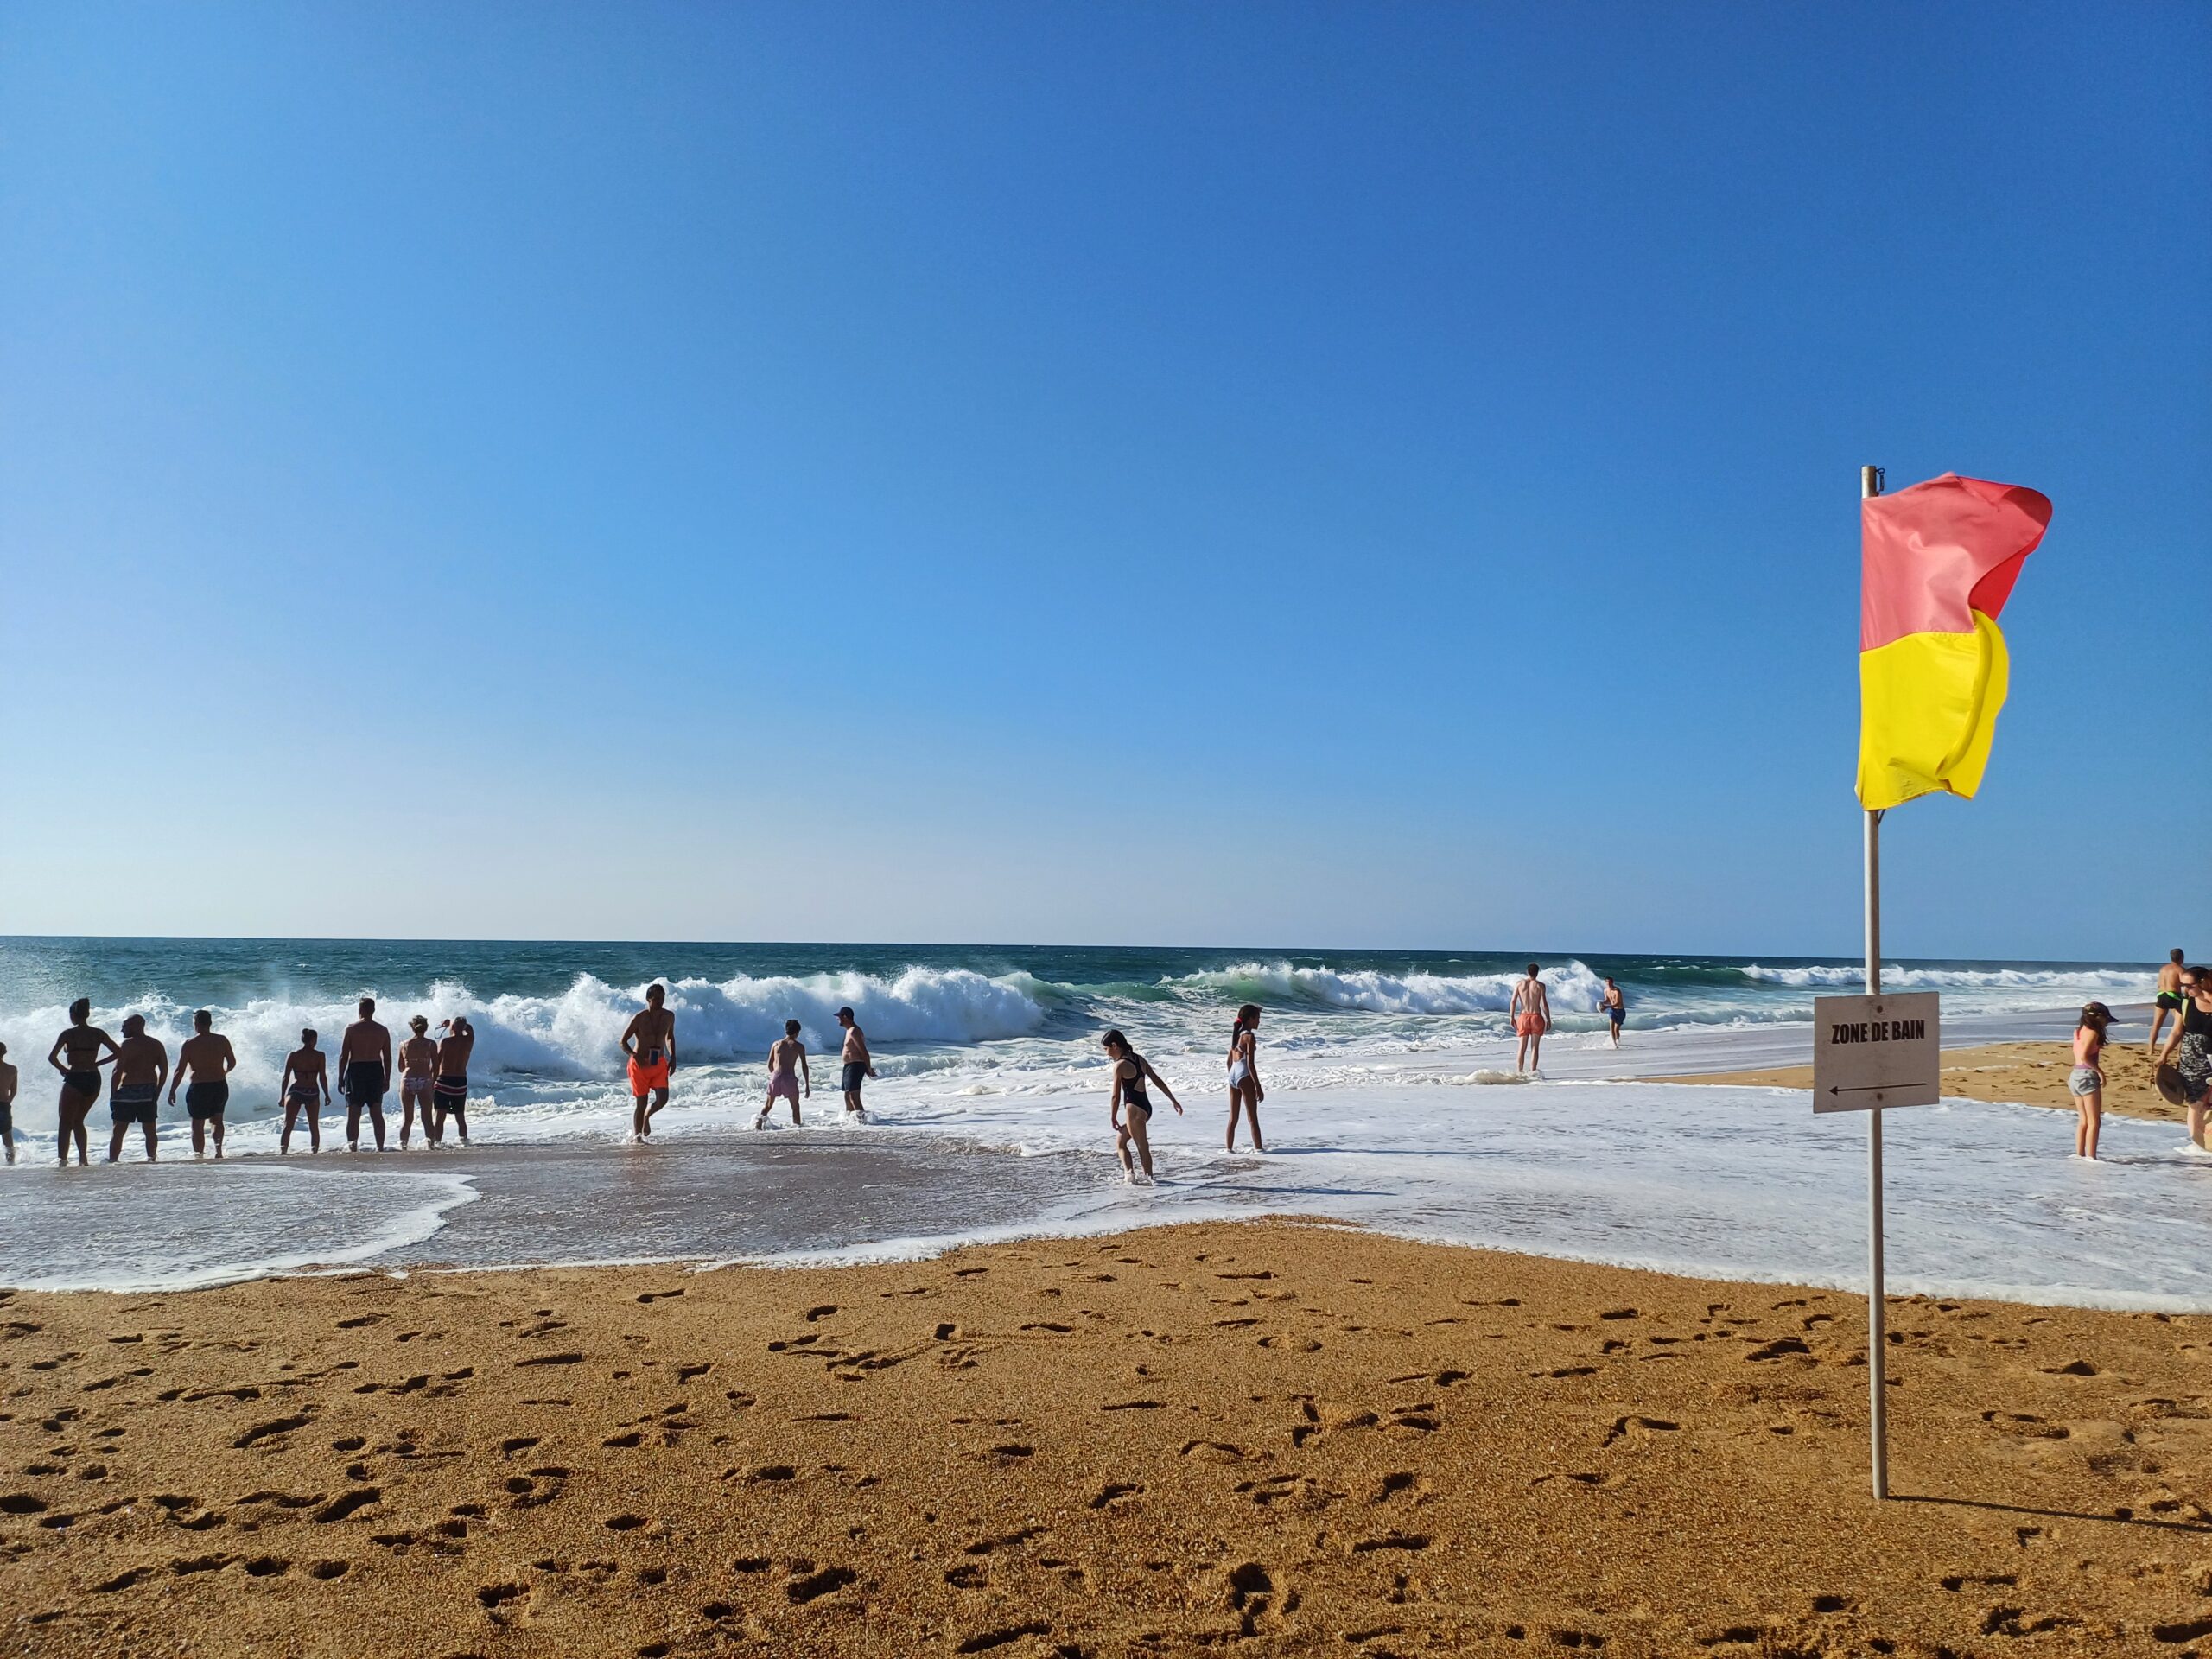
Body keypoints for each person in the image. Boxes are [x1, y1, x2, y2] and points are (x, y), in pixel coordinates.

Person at [1103, 1028, 1183, 1184]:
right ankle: (1130, 1175)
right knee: (1121, 1143)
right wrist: (1173, 1100)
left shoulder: (1119, 1065)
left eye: (1106, 1049)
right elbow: (1157, 1080)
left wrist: (1113, 1116)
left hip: (1134, 1110)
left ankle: (1150, 1180)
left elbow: (1116, 1096)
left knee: (1142, 1146)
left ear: (1114, 1046)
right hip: (1145, 1108)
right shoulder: (1139, 1059)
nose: (1106, 1054)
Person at [47, 998, 118, 1167]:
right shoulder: (98, 1033)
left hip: (75, 1077)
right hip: (93, 1078)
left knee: (65, 1122)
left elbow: (52, 1057)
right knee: (78, 1120)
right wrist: (97, 1063)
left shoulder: (68, 1034)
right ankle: (83, 1160)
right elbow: (118, 1052)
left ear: (72, 1015)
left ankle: (62, 1161)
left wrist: (63, 1069)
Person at [169, 1009, 238, 1160]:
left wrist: (172, 1090)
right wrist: (223, 1073)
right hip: (219, 1084)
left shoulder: (190, 1044)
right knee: (217, 1120)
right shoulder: (222, 1040)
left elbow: (180, 1070)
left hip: (199, 1087)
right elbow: (232, 1062)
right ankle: (218, 1151)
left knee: (197, 1124)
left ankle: (199, 1155)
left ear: (196, 1024)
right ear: (210, 1023)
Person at [2158, 965, 2212, 1152]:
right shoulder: (2185, 1002)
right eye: (2183, 986)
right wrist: (2164, 1054)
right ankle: (2197, 1146)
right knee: (2195, 1102)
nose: (2185, 990)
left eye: (2189, 986)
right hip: (2192, 1059)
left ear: (2204, 982)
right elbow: (2176, 1032)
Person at [106, 1014, 168, 1163]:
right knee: (149, 1130)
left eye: (124, 1026)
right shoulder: (156, 1044)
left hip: (127, 1091)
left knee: (119, 1130)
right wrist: (158, 1091)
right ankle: (151, 1158)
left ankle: (113, 1160)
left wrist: (113, 1094)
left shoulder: (126, 1045)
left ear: (135, 1026)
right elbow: (164, 1070)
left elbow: (117, 1071)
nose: (122, 1030)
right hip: (148, 1091)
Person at [335, 997, 392, 1152]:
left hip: (356, 1070)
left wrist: (340, 1079)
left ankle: (353, 1147)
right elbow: (387, 1057)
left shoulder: (351, 1029)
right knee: (376, 1112)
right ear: (373, 1010)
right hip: (375, 1069)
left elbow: (344, 1056)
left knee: (354, 1113)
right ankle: (380, 1147)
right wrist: (387, 1078)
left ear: (360, 1010)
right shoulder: (382, 1030)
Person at [621, 984, 677, 1141]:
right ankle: (637, 1137)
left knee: (662, 1099)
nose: (660, 1002)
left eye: (662, 999)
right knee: (641, 1102)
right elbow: (623, 1042)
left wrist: (673, 1057)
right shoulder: (639, 1018)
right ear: (648, 999)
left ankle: (647, 1117)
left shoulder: (669, 1016)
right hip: (640, 1065)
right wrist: (634, 1055)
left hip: (658, 1062)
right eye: (656, 999)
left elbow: (670, 1037)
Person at [2069, 1001, 2114, 1160]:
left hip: (2075, 1075)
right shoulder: (2094, 1032)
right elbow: (2085, 1056)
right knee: (2094, 1121)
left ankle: (2079, 1154)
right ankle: (2091, 1157)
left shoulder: (2078, 1031)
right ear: (2098, 1018)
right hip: (2087, 1076)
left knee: (2083, 1120)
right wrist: (2100, 1072)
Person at [278, 1028, 330, 1154]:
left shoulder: (294, 1055)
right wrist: (327, 1094)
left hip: (296, 1091)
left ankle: (283, 1153)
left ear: (302, 1040)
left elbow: (286, 1077)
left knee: (288, 1126)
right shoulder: (319, 1056)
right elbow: (322, 1076)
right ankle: (314, 1153)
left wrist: (282, 1096)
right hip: (312, 1092)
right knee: (314, 1127)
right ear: (314, 1040)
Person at [397, 1015, 441, 1149]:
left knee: (407, 1118)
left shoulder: (404, 1044)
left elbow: (400, 1068)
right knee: (427, 1117)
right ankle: (430, 1144)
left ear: (412, 1028)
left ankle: (403, 1145)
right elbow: (436, 1066)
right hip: (425, 1079)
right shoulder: (431, 1044)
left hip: (408, 1079)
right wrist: (433, 1080)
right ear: (426, 1028)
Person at [1225, 1003, 1264, 1153]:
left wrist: (1232, 1076)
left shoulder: (1236, 1036)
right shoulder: (1249, 1037)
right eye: (1258, 1018)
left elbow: (1228, 1061)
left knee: (1233, 1117)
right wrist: (1258, 1087)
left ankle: (1228, 1149)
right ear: (1250, 1019)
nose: (1259, 1022)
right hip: (1243, 1074)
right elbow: (1250, 1064)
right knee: (1252, 1117)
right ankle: (1259, 1149)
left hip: (1233, 1074)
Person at [756, 1019, 810, 1128]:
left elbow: (770, 1064)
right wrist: (807, 1085)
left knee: (768, 1105)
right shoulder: (799, 1046)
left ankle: (758, 1125)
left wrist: (774, 1077)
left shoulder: (776, 1044)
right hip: (789, 1078)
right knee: (795, 1107)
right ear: (797, 1033)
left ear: (786, 1031)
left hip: (776, 1077)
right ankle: (797, 1128)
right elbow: (804, 1065)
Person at [433, 1016, 474, 1147]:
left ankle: (437, 1143)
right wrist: (453, 1023)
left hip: (445, 1079)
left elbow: (436, 1062)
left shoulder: (446, 1041)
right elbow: (470, 1029)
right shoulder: (469, 1039)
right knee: (460, 1116)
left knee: (440, 1115)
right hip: (460, 1080)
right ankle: (464, 1142)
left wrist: (431, 1080)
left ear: (453, 1028)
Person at [1510, 963, 1552, 1075]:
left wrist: (1512, 1016)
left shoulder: (1519, 984)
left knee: (1522, 1047)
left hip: (1523, 1017)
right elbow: (1544, 1004)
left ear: (1527, 972)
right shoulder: (1540, 986)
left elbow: (1513, 1001)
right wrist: (1548, 1019)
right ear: (1537, 973)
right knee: (1535, 1047)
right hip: (1536, 1017)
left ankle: (1519, 1072)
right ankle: (1533, 1072)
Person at [836, 1006, 874, 1121]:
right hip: (849, 1066)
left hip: (855, 1065)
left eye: (839, 1017)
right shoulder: (849, 1031)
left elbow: (863, 1051)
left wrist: (868, 1068)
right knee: (847, 1095)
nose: (838, 1019)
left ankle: (862, 1122)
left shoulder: (854, 1031)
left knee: (853, 1096)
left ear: (845, 1017)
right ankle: (851, 1122)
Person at [2153, 949, 2189, 1056]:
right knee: (2180, 1025)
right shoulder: (2180, 969)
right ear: (2182, 958)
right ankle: (2179, 1051)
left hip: (2161, 995)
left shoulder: (2163, 969)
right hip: (2174, 996)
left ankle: (2151, 1048)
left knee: (2156, 1025)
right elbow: (2186, 984)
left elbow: (2159, 984)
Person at [0, 1043, 17, 1166]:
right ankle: (11, 1164)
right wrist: (7, 1102)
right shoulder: (12, 1069)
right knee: (7, 1139)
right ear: (4, 1052)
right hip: (4, 1105)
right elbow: (14, 1091)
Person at [1599, 976, 1627, 1048]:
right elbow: (1607, 1000)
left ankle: (1617, 1040)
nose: (1609, 983)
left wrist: (1606, 1007)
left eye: (1610, 982)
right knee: (1611, 1027)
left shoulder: (1617, 991)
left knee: (1616, 1029)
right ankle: (1614, 1044)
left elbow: (1617, 1003)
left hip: (1620, 1011)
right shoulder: (1605, 991)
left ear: (1613, 982)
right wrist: (1602, 1004)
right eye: (1607, 982)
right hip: (1613, 1011)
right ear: (1605, 982)